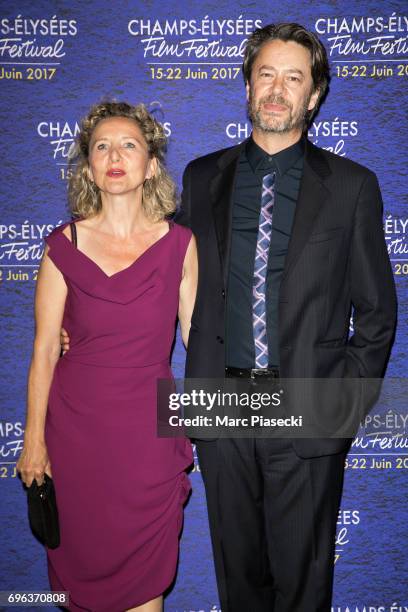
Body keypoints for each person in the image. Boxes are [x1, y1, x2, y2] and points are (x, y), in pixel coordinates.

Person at [176, 23, 397, 612]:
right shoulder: (201, 179)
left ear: (314, 95)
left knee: (303, 590)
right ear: (247, 85)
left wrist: (339, 401)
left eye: (293, 78)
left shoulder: (352, 187)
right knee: (239, 585)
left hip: (305, 408)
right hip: (220, 409)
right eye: (265, 74)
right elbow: (168, 280)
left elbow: (376, 314)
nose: (277, 89)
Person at [17, 101, 198, 612]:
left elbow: (199, 340)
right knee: (82, 586)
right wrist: (33, 441)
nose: (114, 155)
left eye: (129, 145)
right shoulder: (62, 246)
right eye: (102, 146)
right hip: (76, 441)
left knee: (146, 589)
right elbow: (45, 349)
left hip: (148, 442)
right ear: (89, 166)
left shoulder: (180, 244)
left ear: (152, 164)